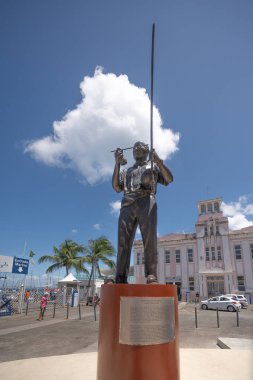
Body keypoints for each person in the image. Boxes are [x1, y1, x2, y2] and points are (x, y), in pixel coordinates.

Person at [112, 141, 173, 284]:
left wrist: (158, 161)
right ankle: (120, 274)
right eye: (135, 148)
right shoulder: (126, 171)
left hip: (147, 200)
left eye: (140, 147)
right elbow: (116, 187)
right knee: (123, 240)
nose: (136, 149)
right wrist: (117, 164)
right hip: (128, 202)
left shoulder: (153, 166)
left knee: (149, 239)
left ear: (146, 151)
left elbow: (169, 179)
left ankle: (151, 274)